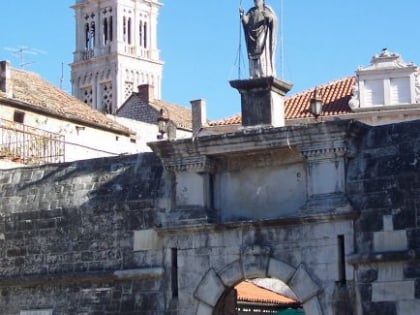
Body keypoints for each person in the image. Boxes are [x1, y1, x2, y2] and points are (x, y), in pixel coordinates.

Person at [240, 0, 277, 78]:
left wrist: (269, 17)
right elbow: (246, 22)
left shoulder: (266, 9)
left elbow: (273, 19)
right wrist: (242, 16)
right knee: (253, 57)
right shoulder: (251, 11)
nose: (256, 1)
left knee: (262, 56)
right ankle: (254, 74)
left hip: (263, 37)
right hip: (252, 40)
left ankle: (263, 72)